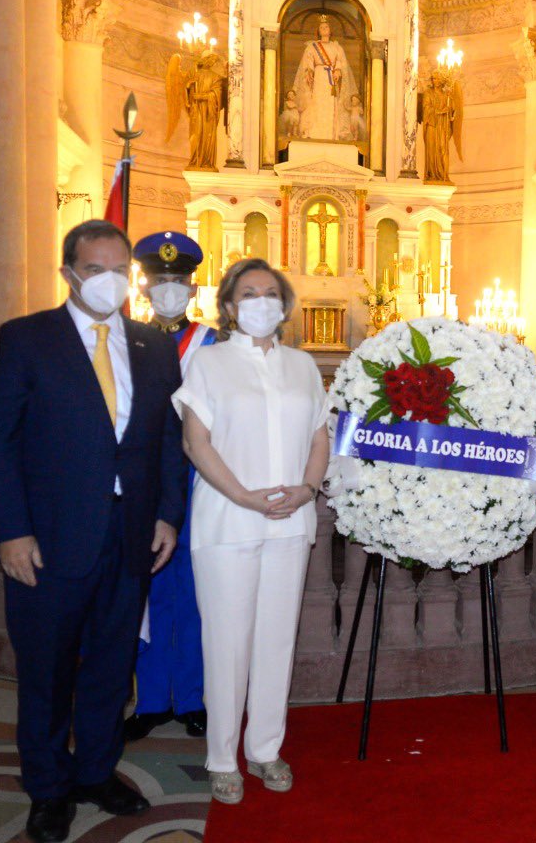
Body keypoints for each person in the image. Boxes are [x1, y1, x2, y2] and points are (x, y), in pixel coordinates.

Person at [0, 220, 186, 843]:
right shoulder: (26, 338)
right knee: (47, 671)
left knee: (111, 667)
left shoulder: (153, 346)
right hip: (48, 539)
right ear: (69, 273)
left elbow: (168, 444)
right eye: (96, 269)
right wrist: (10, 532)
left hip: (130, 538)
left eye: (120, 269)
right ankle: (47, 787)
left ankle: (95, 771)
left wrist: (168, 514)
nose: (110, 280)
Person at [174, 258, 330, 804]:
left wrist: (309, 489)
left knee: (276, 640)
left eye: (269, 293)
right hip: (226, 522)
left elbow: (318, 437)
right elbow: (197, 442)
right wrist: (242, 496)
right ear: (231, 305)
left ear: (284, 305)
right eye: (248, 293)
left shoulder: (303, 366)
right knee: (227, 642)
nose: (260, 301)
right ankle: (222, 757)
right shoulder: (209, 363)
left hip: (292, 522)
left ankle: (265, 749)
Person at [123, 232, 219, 742]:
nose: (168, 289)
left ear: (193, 285)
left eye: (177, 280)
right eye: (159, 281)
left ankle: (195, 697)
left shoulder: (214, 344)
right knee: (149, 591)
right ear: (143, 283)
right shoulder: (126, 342)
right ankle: (152, 698)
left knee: (195, 595)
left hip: (201, 483)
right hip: (146, 486)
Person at [293, 14, 355, 142]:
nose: (324, 29)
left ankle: (330, 134)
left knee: (331, 104)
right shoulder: (312, 46)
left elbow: (340, 61)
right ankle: (315, 132)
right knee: (317, 102)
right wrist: (309, 71)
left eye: (326, 27)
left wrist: (337, 69)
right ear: (318, 30)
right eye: (322, 27)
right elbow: (308, 61)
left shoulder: (336, 47)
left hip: (331, 78)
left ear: (330, 30)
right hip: (319, 76)